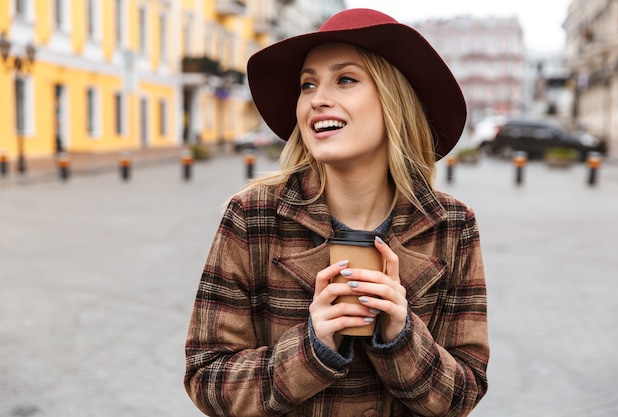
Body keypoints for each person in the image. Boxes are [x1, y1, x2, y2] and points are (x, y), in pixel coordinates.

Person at [184, 8, 489, 417]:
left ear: (394, 100)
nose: (317, 99)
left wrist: (401, 336)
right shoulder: (253, 217)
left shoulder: (452, 225)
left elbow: (464, 393)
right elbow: (206, 378)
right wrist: (311, 349)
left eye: (345, 79)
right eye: (307, 84)